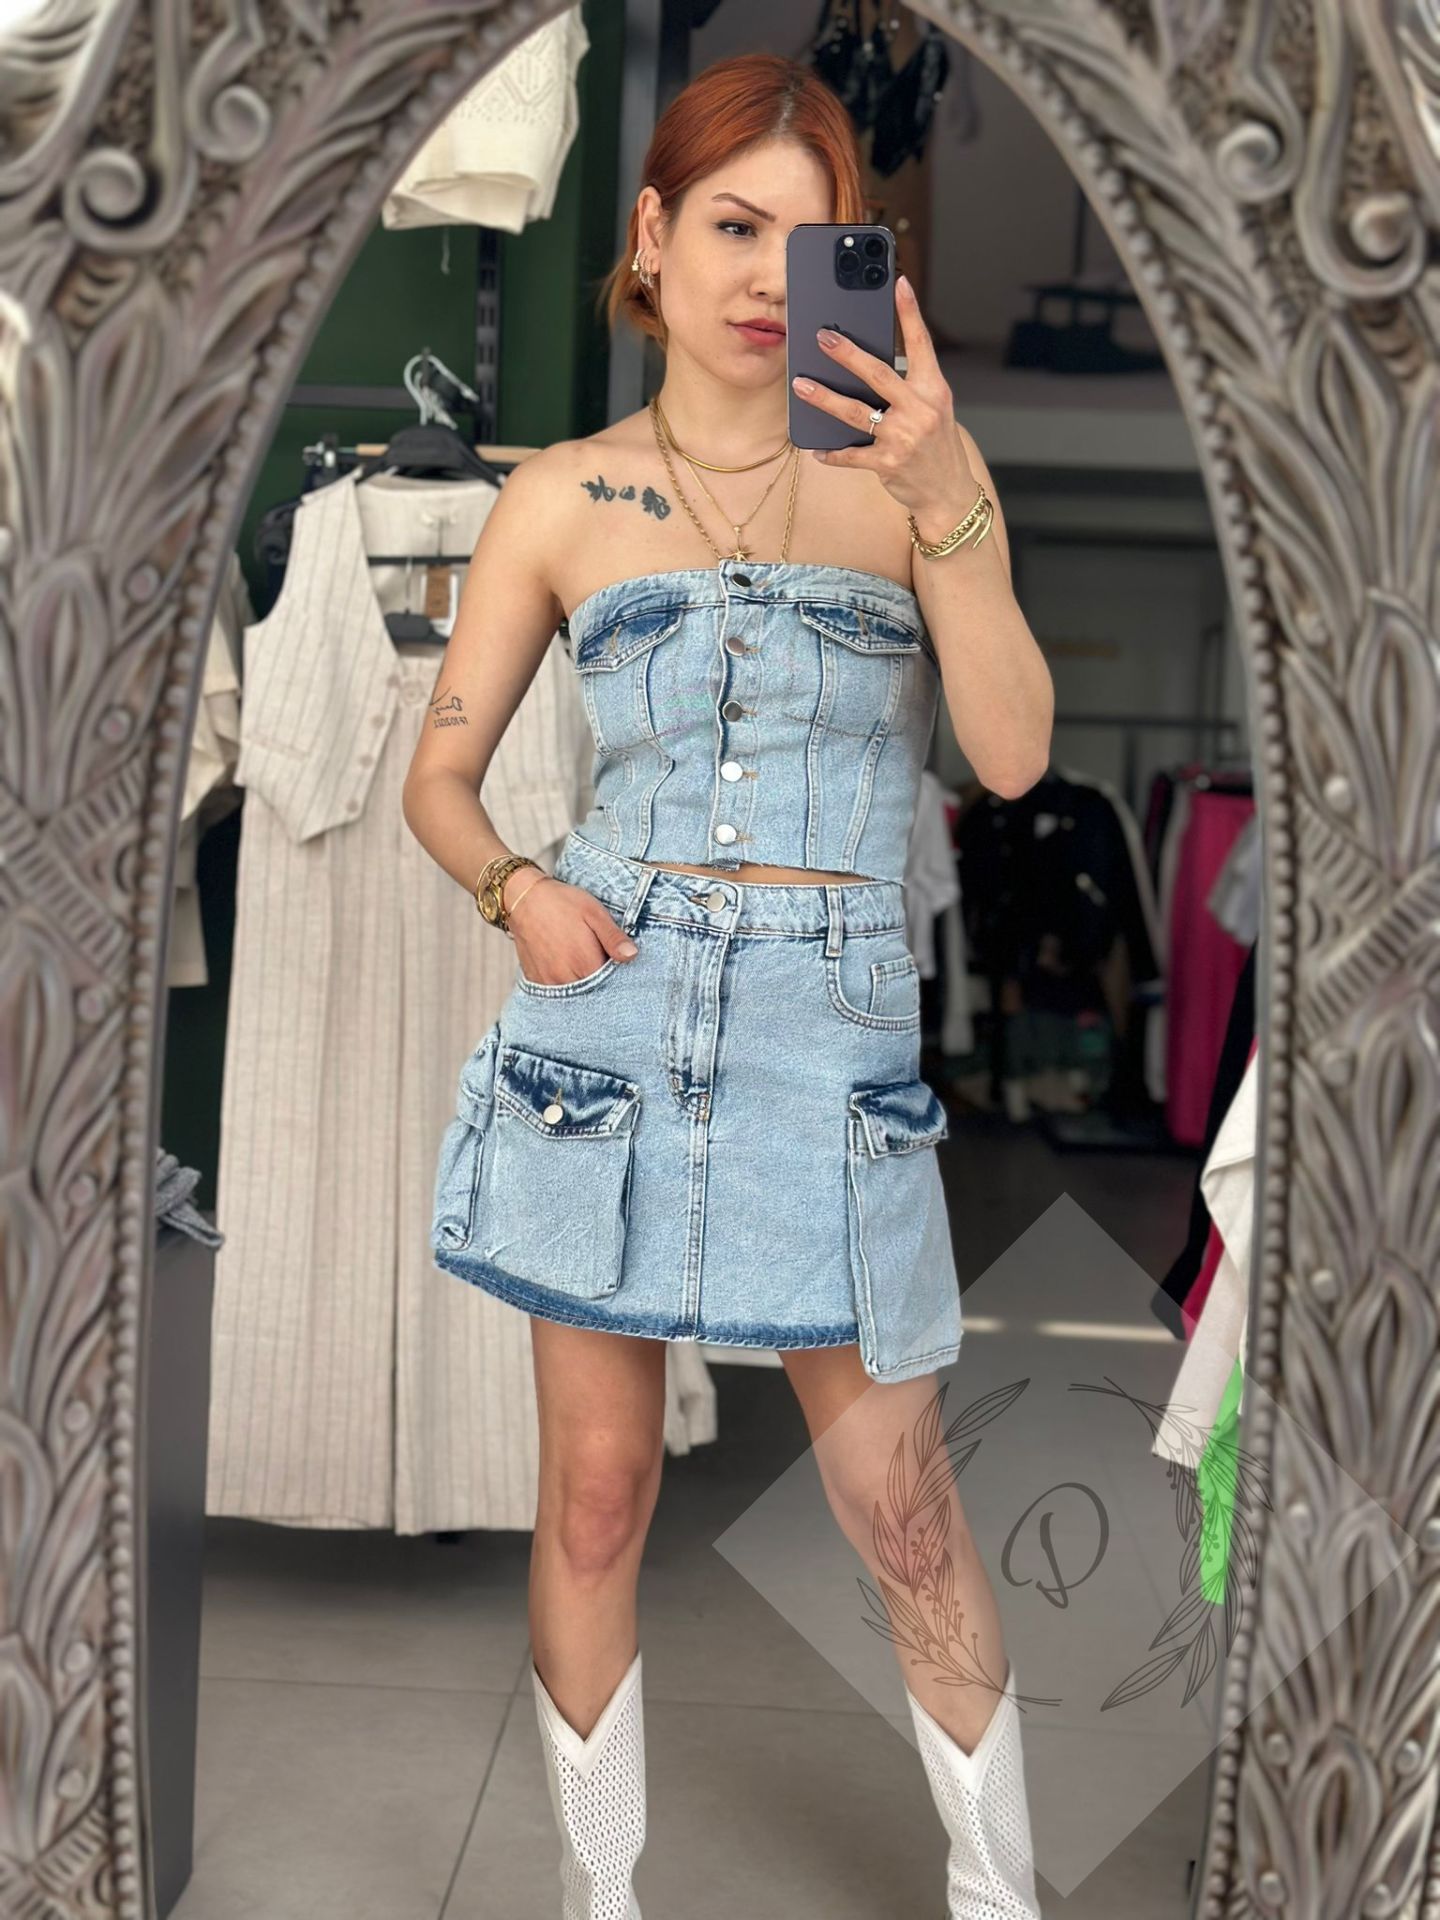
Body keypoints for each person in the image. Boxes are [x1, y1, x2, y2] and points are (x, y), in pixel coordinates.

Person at [402, 50, 1053, 1920]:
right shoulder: (560, 496)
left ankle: (1000, 1898)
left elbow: (1013, 754)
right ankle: (600, 1897)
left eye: (813, 239)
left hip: (826, 1044)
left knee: (902, 1511)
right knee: (601, 1494)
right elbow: (438, 781)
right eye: (734, 226)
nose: (770, 275)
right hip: (608, 1022)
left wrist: (946, 492)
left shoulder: (908, 488)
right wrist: (519, 890)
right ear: (654, 238)